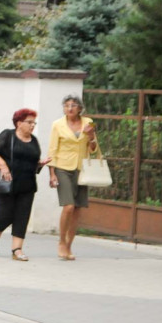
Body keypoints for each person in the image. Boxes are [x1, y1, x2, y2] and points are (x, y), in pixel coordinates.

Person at [0, 109, 51, 262]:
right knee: (5, 214)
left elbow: (32, 163)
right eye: (29, 122)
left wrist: (40, 164)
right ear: (19, 123)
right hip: (6, 183)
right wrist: (3, 166)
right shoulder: (7, 135)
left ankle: (17, 249)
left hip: (27, 185)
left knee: (22, 216)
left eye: (34, 122)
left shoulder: (34, 141)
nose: (32, 125)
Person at [47, 94, 98, 261]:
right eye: (67, 105)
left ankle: (69, 246)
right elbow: (52, 150)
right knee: (68, 206)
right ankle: (61, 241)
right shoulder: (57, 125)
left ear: (80, 108)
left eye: (73, 105)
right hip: (63, 167)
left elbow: (94, 149)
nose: (70, 108)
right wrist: (52, 173)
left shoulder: (88, 123)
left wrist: (91, 137)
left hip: (81, 169)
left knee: (77, 209)